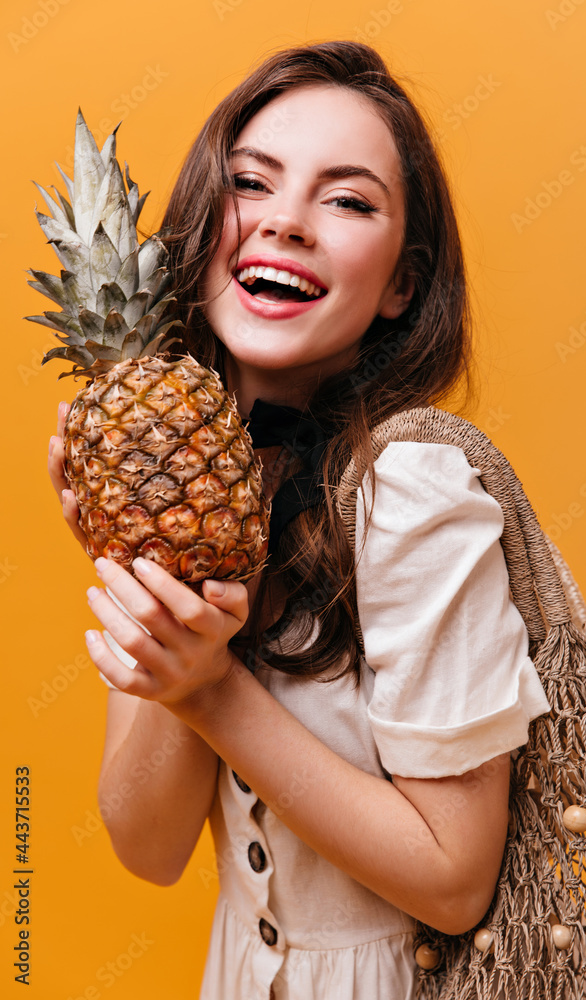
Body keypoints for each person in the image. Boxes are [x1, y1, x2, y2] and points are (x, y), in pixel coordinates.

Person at [48, 41, 551, 1000]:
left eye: (348, 199)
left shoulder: (409, 490)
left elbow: (453, 882)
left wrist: (209, 689)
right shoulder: (160, 473)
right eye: (251, 183)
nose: (286, 221)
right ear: (200, 231)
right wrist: (163, 575)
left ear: (403, 283)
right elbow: (147, 847)